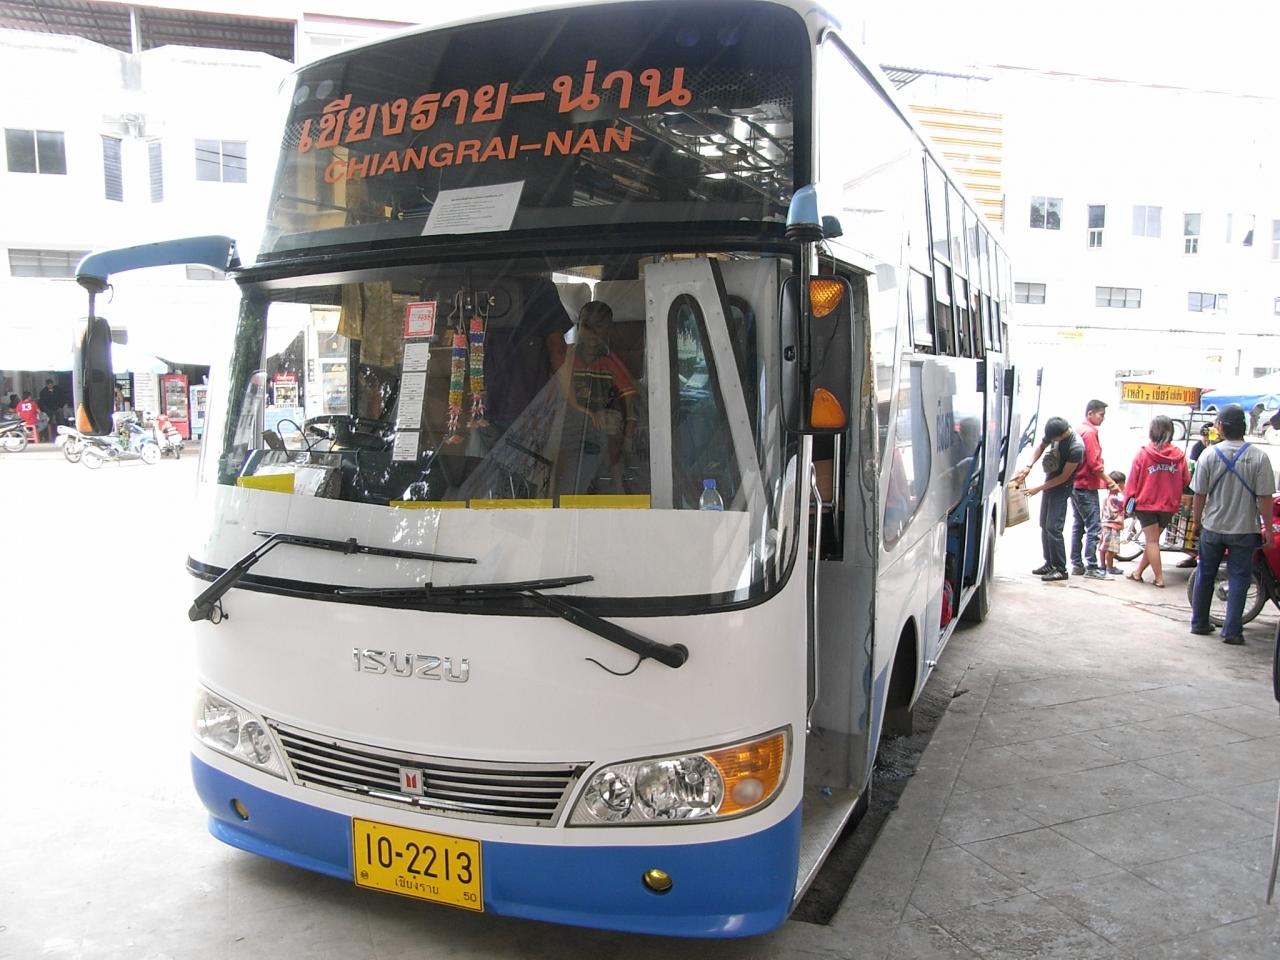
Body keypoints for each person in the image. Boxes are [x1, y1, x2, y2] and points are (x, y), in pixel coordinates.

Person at [1189, 403, 1277, 644]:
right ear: (1245, 427)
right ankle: (1232, 632)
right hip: (1244, 530)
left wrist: (1196, 522)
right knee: (1239, 578)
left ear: (1220, 427)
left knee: (1206, 574)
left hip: (1212, 527)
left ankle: (1199, 623)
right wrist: (1268, 529)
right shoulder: (1258, 457)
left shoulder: (1208, 455)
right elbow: (1265, 497)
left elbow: (1199, 494)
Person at [555, 300, 639, 495]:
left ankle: (612, 480)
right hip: (570, 423)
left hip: (602, 425)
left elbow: (628, 394)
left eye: (599, 328)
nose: (592, 335)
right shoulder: (567, 357)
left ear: (608, 331)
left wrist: (630, 420)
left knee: (611, 426)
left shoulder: (610, 362)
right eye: (587, 327)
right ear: (578, 326)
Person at [1123, 415, 1190, 587]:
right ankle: (1138, 573)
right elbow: (1186, 479)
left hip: (1146, 504)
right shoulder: (1179, 455)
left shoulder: (1143, 454)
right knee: (1152, 541)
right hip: (1169, 505)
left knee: (1152, 541)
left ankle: (1159, 578)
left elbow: (1132, 481)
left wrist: (1127, 502)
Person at [1014, 416, 1083, 582]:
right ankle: (1049, 563)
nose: (1051, 441)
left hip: (1062, 487)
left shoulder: (1076, 448)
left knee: (1054, 527)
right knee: (1044, 524)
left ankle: (1060, 569)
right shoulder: (1055, 431)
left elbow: (1064, 477)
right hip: (1050, 480)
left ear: (1062, 434)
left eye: (1054, 439)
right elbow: (1040, 446)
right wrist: (1028, 466)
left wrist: (1038, 488)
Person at [1067, 399, 1121, 579]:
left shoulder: (1080, 430)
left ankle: (1077, 564)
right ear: (1090, 413)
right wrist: (1110, 482)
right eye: (1101, 415)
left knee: (1078, 525)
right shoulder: (1089, 433)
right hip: (1085, 485)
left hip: (1075, 484)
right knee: (1094, 527)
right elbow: (1094, 464)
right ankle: (1091, 566)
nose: (1102, 418)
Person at [1099, 470, 1127, 575]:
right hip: (1113, 527)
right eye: (1124, 483)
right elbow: (1122, 508)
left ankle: (1103, 565)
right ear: (1118, 484)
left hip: (1105, 525)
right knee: (1111, 549)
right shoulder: (1117, 499)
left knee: (1103, 547)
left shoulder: (1107, 498)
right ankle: (1110, 567)